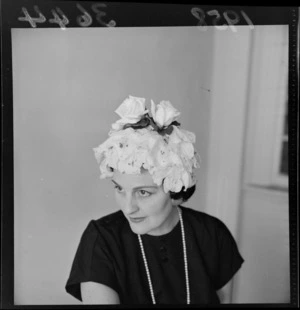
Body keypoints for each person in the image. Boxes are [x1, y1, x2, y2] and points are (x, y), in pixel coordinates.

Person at [65, 95, 244, 305]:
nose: (128, 208)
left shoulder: (212, 234)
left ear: (176, 191)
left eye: (143, 192)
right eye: (120, 189)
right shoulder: (101, 239)